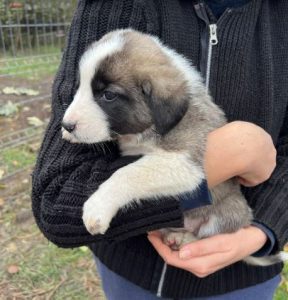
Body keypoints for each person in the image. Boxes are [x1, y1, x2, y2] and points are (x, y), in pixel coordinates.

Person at [31, 0, 288, 299]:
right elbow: (56, 198)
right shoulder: (116, 14)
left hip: (238, 278)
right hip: (129, 269)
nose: (71, 116)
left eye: (108, 96)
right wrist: (231, 155)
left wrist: (263, 231)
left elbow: (184, 168)